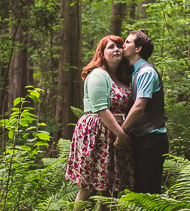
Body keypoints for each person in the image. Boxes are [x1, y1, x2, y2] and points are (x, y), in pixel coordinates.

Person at [65, 35, 135, 201]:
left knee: (112, 188)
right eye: (111, 47)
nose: (117, 49)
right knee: (89, 186)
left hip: (115, 134)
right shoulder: (98, 75)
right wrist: (121, 135)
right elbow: (101, 109)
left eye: (119, 46)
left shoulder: (121, 77)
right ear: (102, 54)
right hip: (97, 133)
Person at [121, 30, 168, 194]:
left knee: (150, 193)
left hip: (152, 139)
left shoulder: (146, 72)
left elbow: (139, 106)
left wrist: (122, 131)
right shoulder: (134, 71)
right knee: (139, 191)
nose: (123, 45)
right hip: (142, 138)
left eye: (127, 42)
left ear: (138, 48)